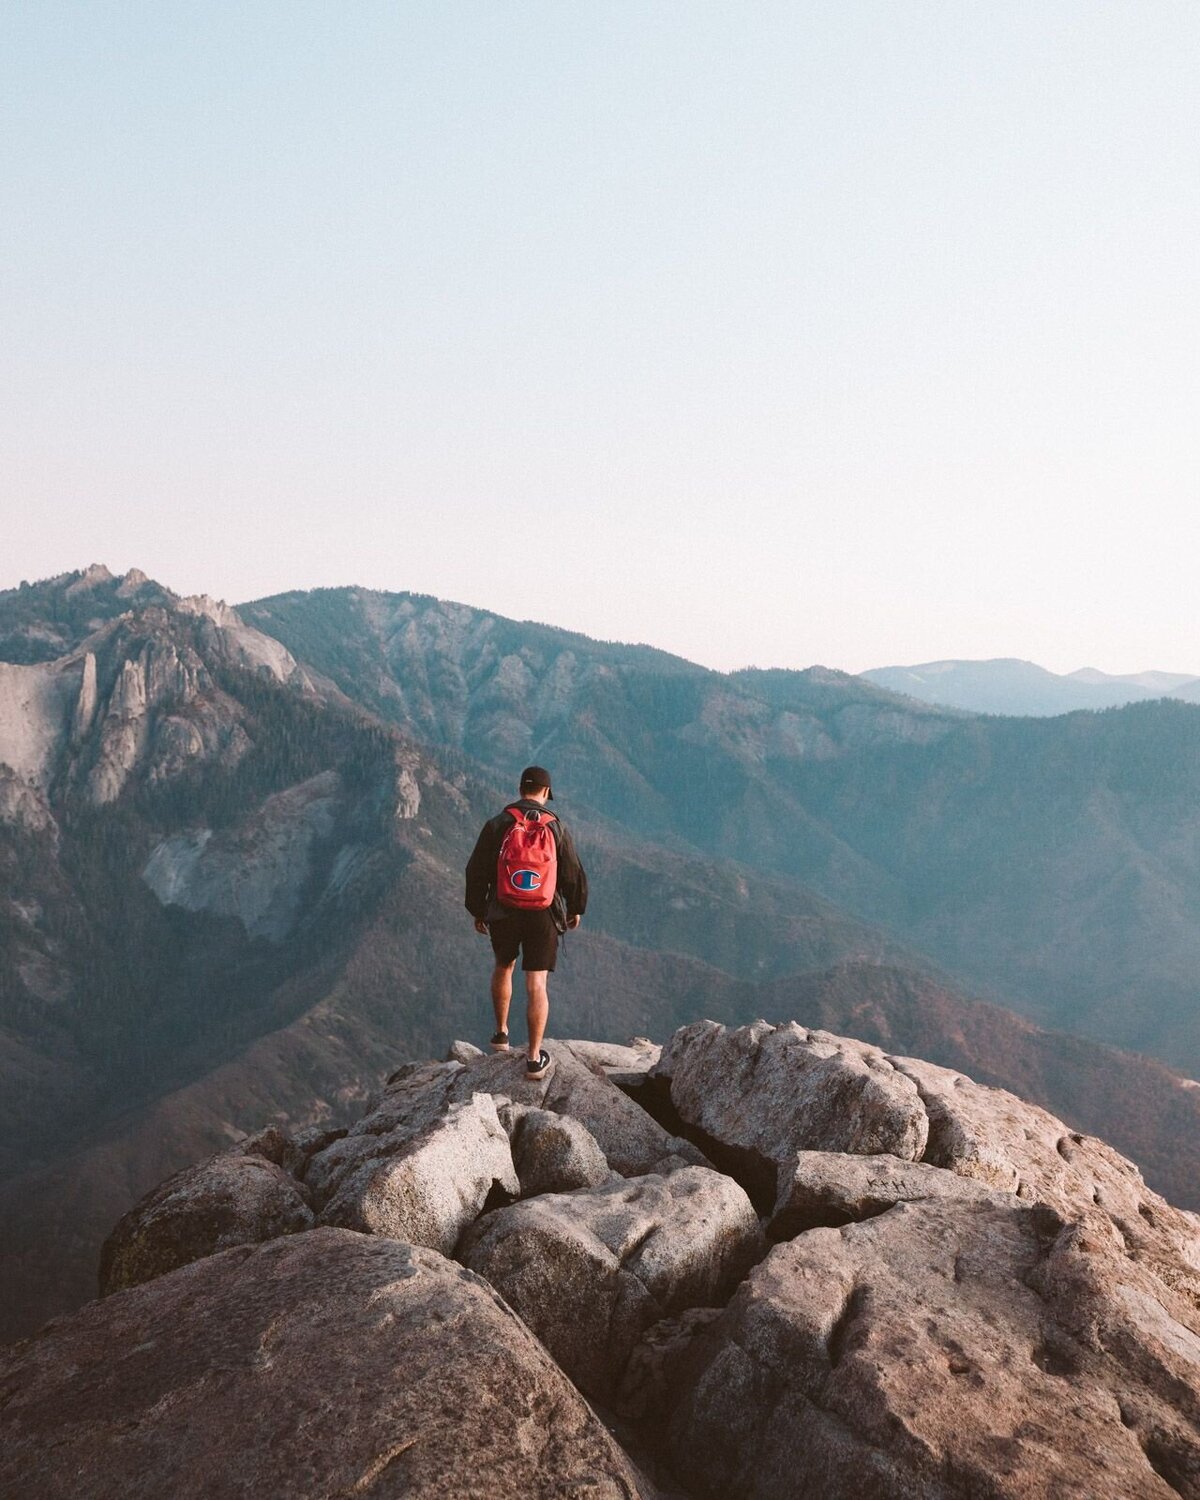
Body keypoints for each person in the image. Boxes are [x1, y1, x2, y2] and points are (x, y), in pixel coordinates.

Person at [464, 765, 587, 1080]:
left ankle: (501, 1034)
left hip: (503, 909)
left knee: (503, 965)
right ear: (545, 792)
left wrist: (478, 910)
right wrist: (576, 907)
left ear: (520, 789)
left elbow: (476, 869)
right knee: (537, 983)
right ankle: (534, 1058)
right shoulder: (555, 827)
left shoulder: (498, 823)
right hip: (543, 914)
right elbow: (572, 872)